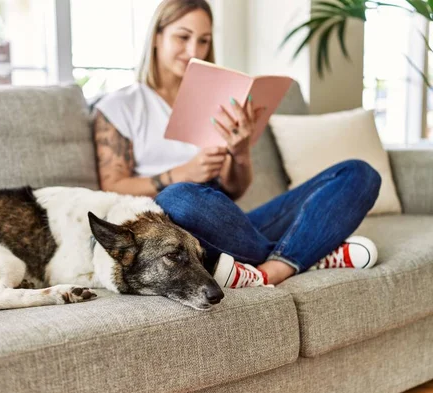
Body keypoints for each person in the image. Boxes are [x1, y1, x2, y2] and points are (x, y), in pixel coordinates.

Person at [92, 0, 381, 288]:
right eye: (183, 37)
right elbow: (112, 184)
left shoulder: (215, 97)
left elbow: (235, 189)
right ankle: (305, 252)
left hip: (233, 224)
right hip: (180, 226)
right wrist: (180, 174)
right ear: (157, 36)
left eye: (203, 40)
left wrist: (240, 151)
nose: (194, 50)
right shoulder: (122, 105)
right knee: (178, 197)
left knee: (359, 174)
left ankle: (268, 269)